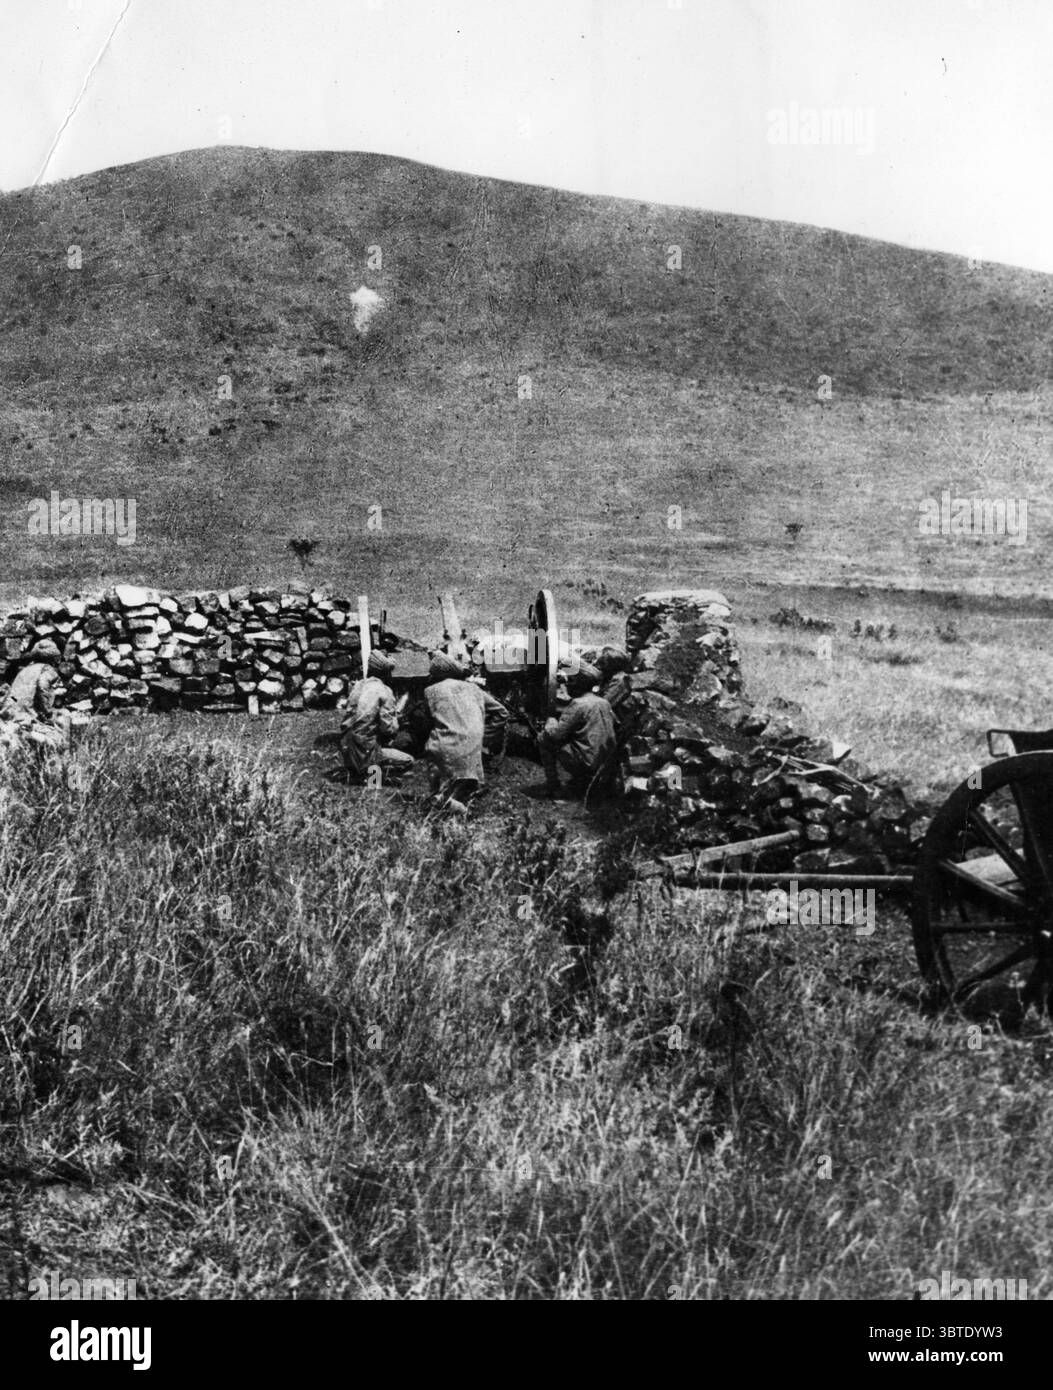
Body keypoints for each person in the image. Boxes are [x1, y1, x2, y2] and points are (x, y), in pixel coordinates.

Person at [424, 651, 508, 811]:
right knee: (463, 787)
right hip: (473, 748)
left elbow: (428, 722)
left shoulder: (430, 691)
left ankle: (438, 799)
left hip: (444, 749)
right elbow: (502, 712)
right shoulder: (474, 689)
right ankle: (458, 803)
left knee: (432, 757)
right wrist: (484, 734)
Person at [539, 662, 617, 799]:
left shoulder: (578, 704)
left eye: (571, 681)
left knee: (543, 739)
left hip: (587, 762)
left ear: (579, 684)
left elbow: (556, 735)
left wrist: (551, 722)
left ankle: (554, 788)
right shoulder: (604, 702)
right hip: (606, 760)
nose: (567, 685)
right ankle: (583, 781)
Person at [339, 652, 415, 785]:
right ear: (386, 673)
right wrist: (398, 720)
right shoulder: (384, 690)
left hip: (346, 747)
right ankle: (372, 778)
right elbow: (388, 729)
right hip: (366, 748)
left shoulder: (358, 686)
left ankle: (357, 774)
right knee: (407, 760)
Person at [0, 641, 68, 748]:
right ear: (53, 658)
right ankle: (28, 735)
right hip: (24, 712)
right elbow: (43, 688)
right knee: (56, 736)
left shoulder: (26, 669)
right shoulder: (47, 669)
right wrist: (47, 712)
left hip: (10, 709)